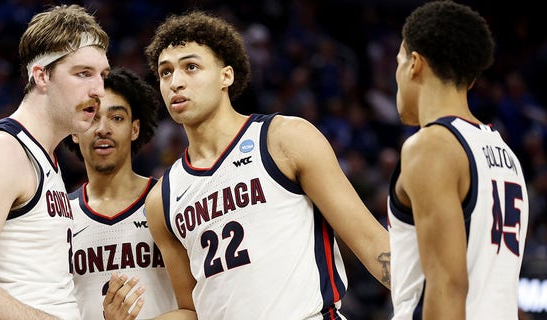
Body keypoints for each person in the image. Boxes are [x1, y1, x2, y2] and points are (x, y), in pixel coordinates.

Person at [136, 10, 390, 319]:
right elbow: (191, 310)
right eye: (165, 72)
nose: (175, 82)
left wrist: (437, 300)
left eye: (191, 67)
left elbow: (370, 242)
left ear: (225, 76)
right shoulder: (162, 199)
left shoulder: (284, 139)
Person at [0, 5, 110, 319]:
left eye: (102, 75)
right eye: (83, 73)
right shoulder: (1, 152)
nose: (98, 89)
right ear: (41, 76)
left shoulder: (43, 158)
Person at [388, 1, 529, 319]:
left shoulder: (430, 146)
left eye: (397, 62)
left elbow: (448, 284)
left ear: (414, 64)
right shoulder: (504, 153)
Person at [65, 67, 177, 319]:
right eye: (92, 117)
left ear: (134, 129)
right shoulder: (57, 219)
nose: (103, 129)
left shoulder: (169, 201)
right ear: (73, 130)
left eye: (116, 118)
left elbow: (199, 306)